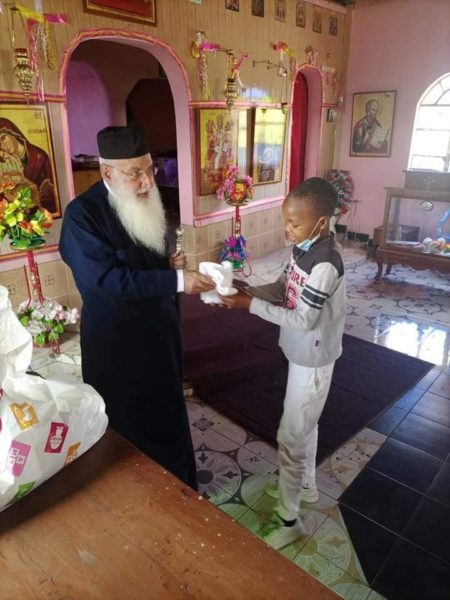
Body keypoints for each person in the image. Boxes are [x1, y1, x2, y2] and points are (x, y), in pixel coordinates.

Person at [59, 126, 215, 489]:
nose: (147, 182)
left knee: (169, 411)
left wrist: (167, 265)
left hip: (160, 333)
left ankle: (183, 487)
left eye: (150, 170)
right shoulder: (83, 216)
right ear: (107, 172)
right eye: (135, 174)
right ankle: (146, 495)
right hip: (119, 346)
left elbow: (142, 259)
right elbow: (106, 281)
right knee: (131, 425)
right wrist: (179, 281)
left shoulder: (144, 198)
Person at [219, 177, 346, 550]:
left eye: (294, 223)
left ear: (320, 222)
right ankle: (305, 486)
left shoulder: (325, 263)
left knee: (291, 437)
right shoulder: (304, 249)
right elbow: (282, 287)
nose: (287, 230)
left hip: (313, 358)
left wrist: (250, 305)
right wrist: (246, 291)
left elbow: (303, 319)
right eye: (285, 221)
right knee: (306, 424)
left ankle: (289, 522)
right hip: (300, 352)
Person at [0, 118, 56, 213]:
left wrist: (39, 195)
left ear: (14, 133)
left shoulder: (40, 156)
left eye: (3, 138)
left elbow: (52, 195)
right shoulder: (6, 163)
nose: (2, 145)